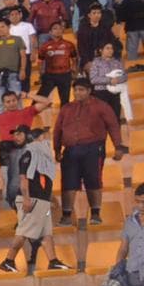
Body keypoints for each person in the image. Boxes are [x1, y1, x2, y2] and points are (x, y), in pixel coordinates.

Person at [53, 78, 126, 227]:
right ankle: (66, 216)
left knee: (93, 181)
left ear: (89, 91)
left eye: (81, 90)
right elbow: (57, 130)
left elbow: (113, 126)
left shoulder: (101, 106)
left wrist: (118, 146)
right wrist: (57, 149)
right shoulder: (67, 108)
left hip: (93, 148)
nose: (77, 93)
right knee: (68, 183)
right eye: (76, 90)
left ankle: (95, 214)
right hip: (70, 149)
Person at [0, 127, 71, 274]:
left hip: (41, 199)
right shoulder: (30, 153)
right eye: (45, 137)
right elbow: (23, 178)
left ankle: (53, 261)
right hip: (32, 199)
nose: (47, 140)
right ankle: (8, 261)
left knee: (46, 233)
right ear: (38, 138)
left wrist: (49, 198)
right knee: (24, 232)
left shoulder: (42, 156)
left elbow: (44, 180)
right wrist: (26, 198)